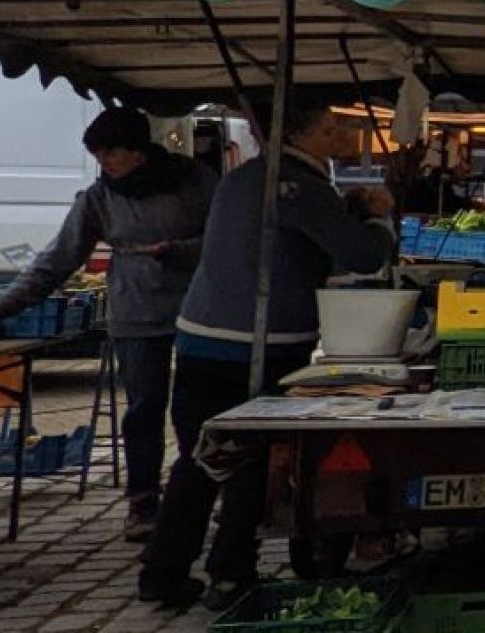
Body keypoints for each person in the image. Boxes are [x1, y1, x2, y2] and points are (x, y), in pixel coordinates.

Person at [142, 98, 400, 608]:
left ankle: (164, 573)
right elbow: (364, 256)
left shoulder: (243, 179)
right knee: (250, 465)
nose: (337, 136)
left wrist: (345, 211)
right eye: (329, 127)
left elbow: (288, 238)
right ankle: (231, 573)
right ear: (301, 134)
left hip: (200, 341)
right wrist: (381, 219)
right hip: (258, 349)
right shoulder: (298, 184)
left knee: (200, 460)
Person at [0, 107, 214, 540]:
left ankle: (202, 495)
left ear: (138, 150)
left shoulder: (195, 181)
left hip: (202, 310)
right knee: (143, 410)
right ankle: (143, 503)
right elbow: (56, 262)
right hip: (136, 314)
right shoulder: (98, 199)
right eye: (99, 156)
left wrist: (177, 250)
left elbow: (228, 236)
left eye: (112, 154)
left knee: (200, 411)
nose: (105, 163)